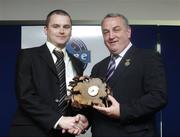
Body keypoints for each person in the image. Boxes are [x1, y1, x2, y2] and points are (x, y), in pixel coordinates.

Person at [9, 9, 88, 137]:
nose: (61, 31)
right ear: (46, 30)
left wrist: (77, 115)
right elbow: (25, 96)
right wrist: (58, 120)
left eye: (66, 27)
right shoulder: (28, 56)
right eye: (56, 26)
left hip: (64, 133)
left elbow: (71, 100)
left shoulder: (77, 63)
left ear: (71, 31)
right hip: (31, 130)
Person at [89, 13, 168, 137]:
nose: (111, 36)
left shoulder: (148, 58)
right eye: (106, 32)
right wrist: (83, 119)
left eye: (116, 29)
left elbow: (158, 96)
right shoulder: (98, 67)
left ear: (128, 32)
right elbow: (94, 103)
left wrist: (122, 110)